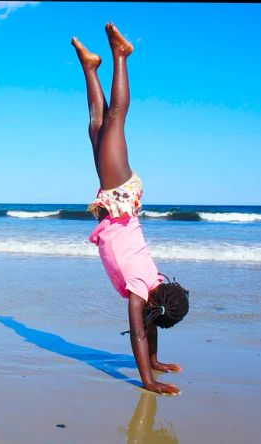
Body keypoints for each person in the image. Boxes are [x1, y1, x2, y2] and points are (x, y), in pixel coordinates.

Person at [72, 23, 190, 395]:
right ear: (155, 304)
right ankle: (121, 55)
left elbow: (148, 327)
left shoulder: (152, 286)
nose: (146, 316)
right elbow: (138, 333)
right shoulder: (141, 290)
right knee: (115, 121)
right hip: (120, 194)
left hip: (115, 200)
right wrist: (148, 381)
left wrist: (156, 362)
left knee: (96, 128)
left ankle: (91, 67)